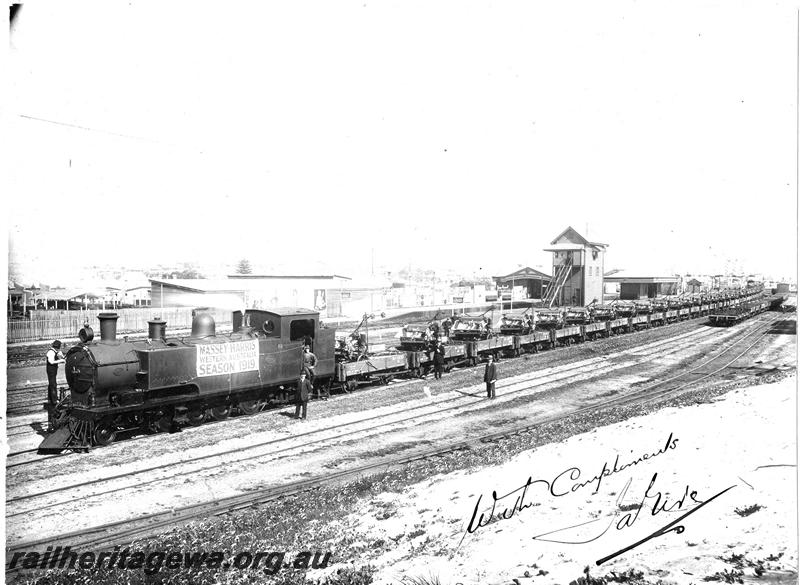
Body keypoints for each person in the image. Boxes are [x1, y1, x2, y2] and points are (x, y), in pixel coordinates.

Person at [45, 340, 66, 430]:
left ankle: (52, 397)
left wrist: (61, 356)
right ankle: (54, 400)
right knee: (53, 384)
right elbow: (51, 362)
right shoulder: (50, 352)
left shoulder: (55, 351)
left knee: (53, 384)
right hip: (51, 370)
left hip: (54, 370)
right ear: (57, 346)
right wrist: (61, 360)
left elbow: (61, 356)